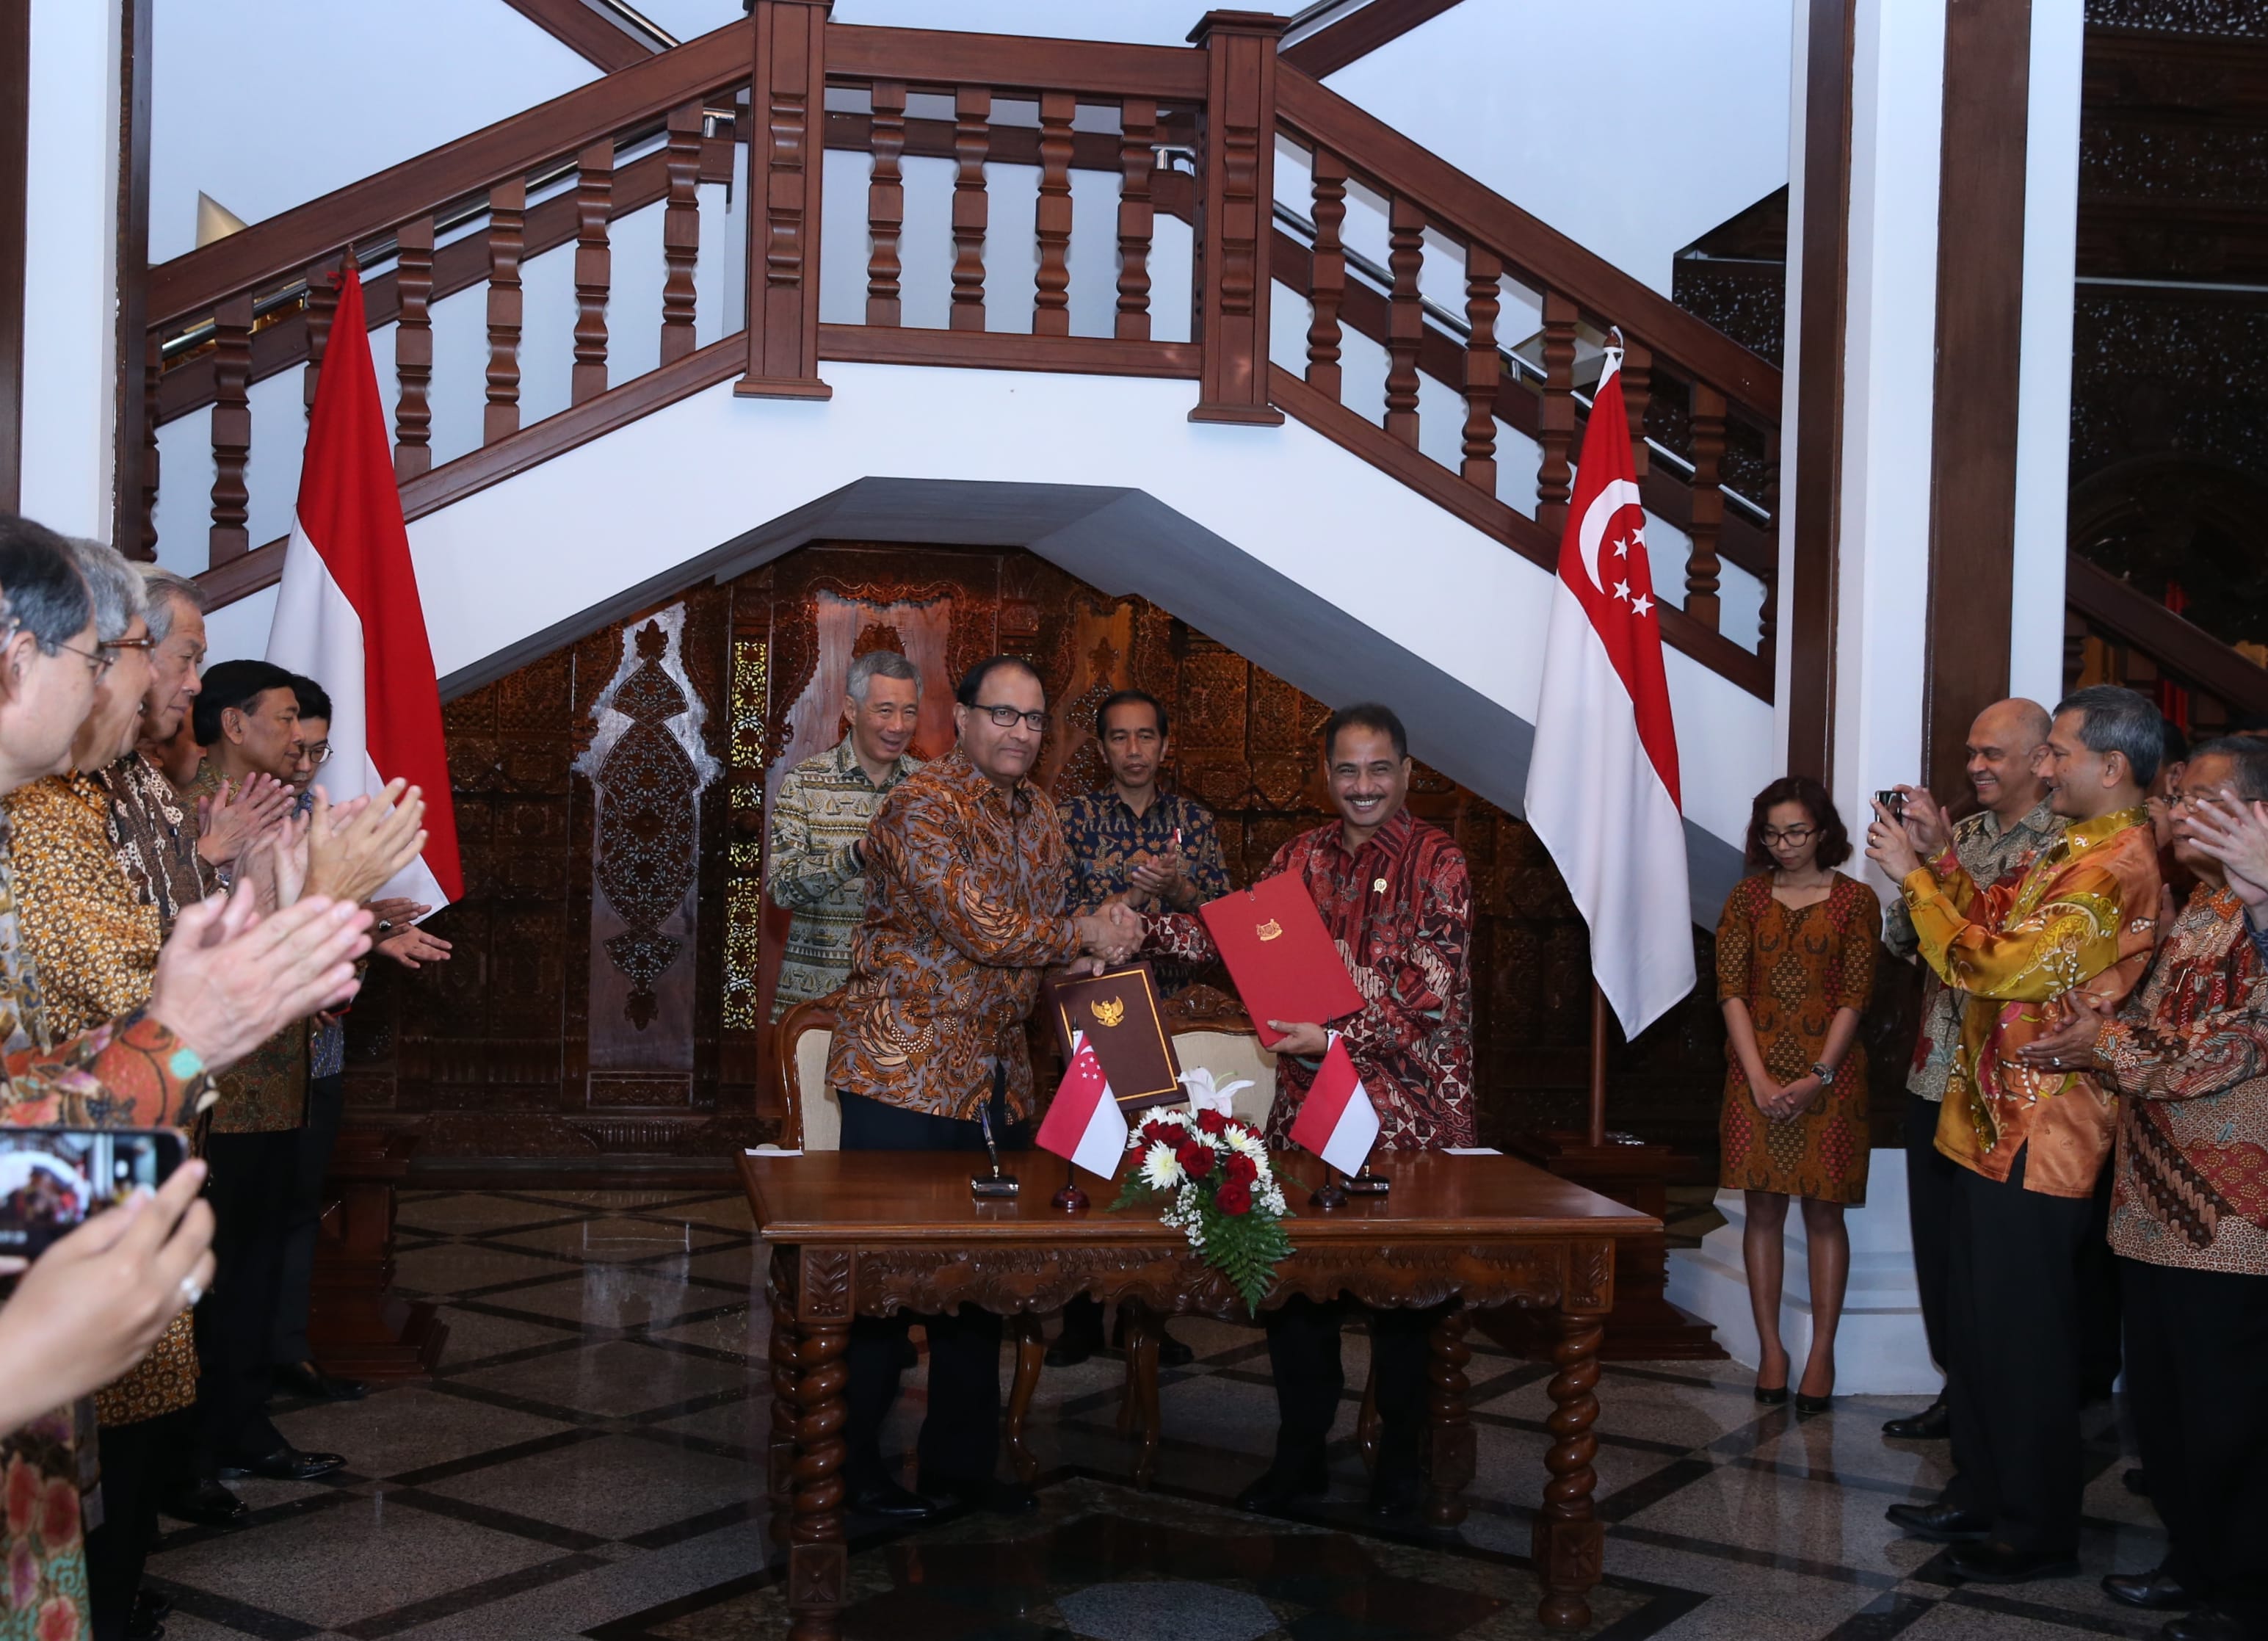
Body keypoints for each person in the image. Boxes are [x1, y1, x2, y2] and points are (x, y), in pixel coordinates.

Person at [1139, 702, 1472, 1519]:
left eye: (1379, 769)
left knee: (1406, 1306)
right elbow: (1233, 941)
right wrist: (1137, 931)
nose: (1363, 786)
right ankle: (1298, 1459)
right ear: (1325, 776)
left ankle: (1399, 1470)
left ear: (1405, 773)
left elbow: (1424, 997)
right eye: (1347, 771)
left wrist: (1326, 1037)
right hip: (1310, 1121)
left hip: (1412, 1126)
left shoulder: (1442, 863)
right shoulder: (1298, 858)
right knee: (1297, 1298)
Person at [827, 655, 1139, 1521]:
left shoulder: (1039, 813)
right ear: (958, 718)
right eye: (1000, 715)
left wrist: (1092, 954)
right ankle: (846, 1479)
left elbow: (1040, 950)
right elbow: (984, 924)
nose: (1018, 733)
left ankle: (962, 1466)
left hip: (996, 1085)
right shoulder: (920, 804)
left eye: (1033, 719)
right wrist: (1081, 927)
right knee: (886, 1291)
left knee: (982, 1290)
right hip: (904, 1072)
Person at [1869, 683, 2165, 1585]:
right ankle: (1982, 1492)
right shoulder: (2073, 847)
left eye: (2057, 753)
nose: (2044, 766)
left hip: (2043, 1130)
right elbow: (1993, 923)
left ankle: (2031, 1530)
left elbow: (1997, 966)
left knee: (2025, 1340)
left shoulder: (2113, 867)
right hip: (1985, 1114)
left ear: (2109, 768)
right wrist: (1944, 868)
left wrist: (1913, 882)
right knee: (1980, 1327)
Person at [2012, 739, 2268, 1641]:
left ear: (2255, 814)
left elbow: (2222, 1053)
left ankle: (2242, 1593)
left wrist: (2103, 1049)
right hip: (2151, 1208)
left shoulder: (2256, 912)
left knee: (2231, 1420)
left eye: (2196, 798)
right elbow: (2166, 1029)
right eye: (2175, 797)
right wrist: (2103, 1025)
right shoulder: (2200, 904)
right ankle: (2192, 1565)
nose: (2172, 810)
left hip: (2231, 1221)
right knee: (2162, 1414)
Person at [186, 659, 427, 1494]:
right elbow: (201, 931)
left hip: (283, 1068)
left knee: (254, 1263)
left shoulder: (282, 807)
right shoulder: (188, 807)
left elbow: (287, 916)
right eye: (286, 719)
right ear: (233, 723)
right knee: (209, 1272)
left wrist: (354, 930)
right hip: (217, 1081)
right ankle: (191, 1454)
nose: (301, 737)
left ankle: (245, 1427)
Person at [1877, 699, 2060, 1441]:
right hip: (1935, 1074)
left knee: (2002, 1274)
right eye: (1970, 754)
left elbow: (1998, 950)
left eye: (1991, 754)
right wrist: (1921, 865)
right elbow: (1904, 938)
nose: (1975, 767)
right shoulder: (1965, 835)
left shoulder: (2065, 845)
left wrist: (1935, 871)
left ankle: (2004, 1417)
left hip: (2008, 1091)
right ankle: (1958, 1392)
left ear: (2039, 759)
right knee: (1941, 1252)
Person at [1051, 689, 1231, 1372]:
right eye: (1119, 738)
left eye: (1145, 737)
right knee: (1086, 1157)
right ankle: (1077, 1314)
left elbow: (1228, 929)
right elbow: (1057, 917)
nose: (1133, 750)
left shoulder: (1195, 821)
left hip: (1176, 1017)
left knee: (1162, 1164)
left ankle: (1148, 1314)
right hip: (1092, 1012)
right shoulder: (1069, 818)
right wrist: (1129, 895)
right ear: (1101, 748)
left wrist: (1180, 889)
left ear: (1164, 745)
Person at [1715, 777, 1880, 1412]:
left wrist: (1818, 1076)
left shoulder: (1856, 901)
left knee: (1822, 1213)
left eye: (1795, 832)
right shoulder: (1745, 898)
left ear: (1822, 832)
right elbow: (1730, 990)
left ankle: (1821, 1351)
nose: (1783, 845)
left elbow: (1854, 997)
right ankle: (1771, 1349)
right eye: (1771, 833)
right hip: (1752, 1073)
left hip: (1830, 1081)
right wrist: (1756, 1077)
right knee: (1761, 1210)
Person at [767, 650, 924, 1019]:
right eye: (884, 710)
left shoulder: (929, 789)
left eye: (910, 711)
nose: (898, 726)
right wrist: (857, 855)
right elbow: (781, 887)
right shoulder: (805, 783)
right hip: (816, 1004)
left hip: (905, 1006)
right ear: (852, 711)